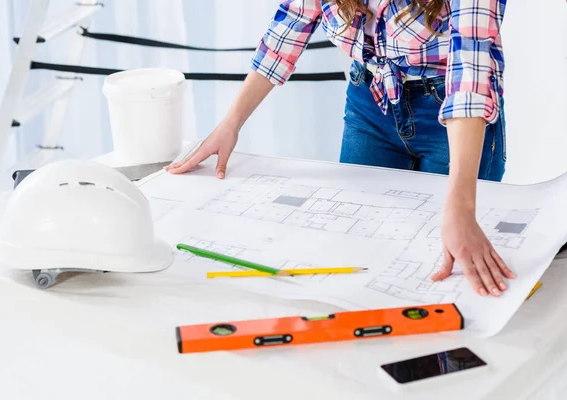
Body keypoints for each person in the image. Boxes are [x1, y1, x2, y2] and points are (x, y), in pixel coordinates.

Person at [166, 0, 515, 297]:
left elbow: (472, 70)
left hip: (451, 114)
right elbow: (288, 30)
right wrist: (230, 124)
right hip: (370, 104)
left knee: (447, 261)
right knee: (363, 250)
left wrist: (461, 206)